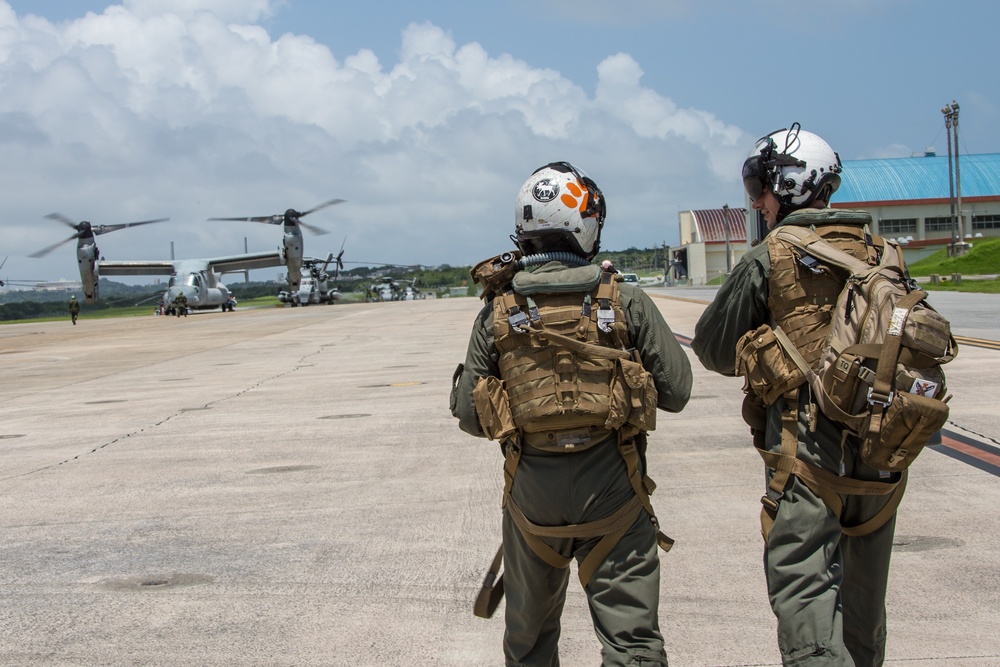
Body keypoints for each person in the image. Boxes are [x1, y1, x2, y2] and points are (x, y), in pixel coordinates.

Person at [452, 161, 692, 666]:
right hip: (613, 491)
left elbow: (471, 415)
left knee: (530, 645)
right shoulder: (625, 298)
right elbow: (676, 390)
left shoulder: (496, 309)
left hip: (531, 500)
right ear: (583, 224)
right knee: (632, 646)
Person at [692, 124, 904, 666]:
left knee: (804, 593)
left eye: (760, 188)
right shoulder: (885, 253)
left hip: (807, 454)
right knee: (864, 608)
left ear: (787, 188)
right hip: (882, 449)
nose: (757, 202)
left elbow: (713, 348)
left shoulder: (773, 254)